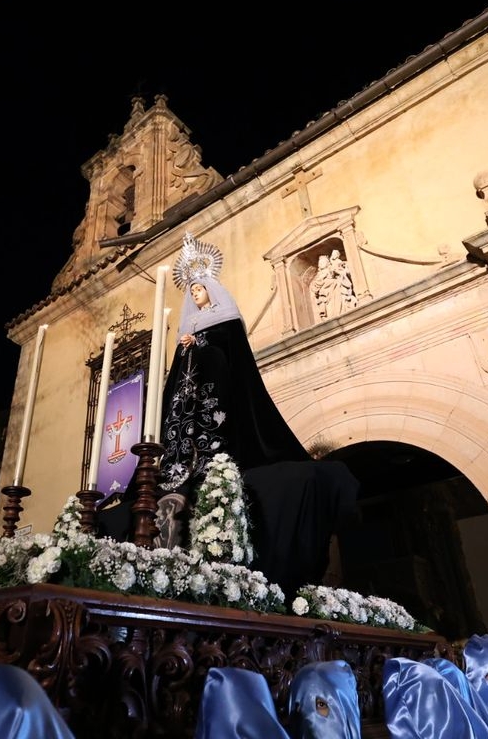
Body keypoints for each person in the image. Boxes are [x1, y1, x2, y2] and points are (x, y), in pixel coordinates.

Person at [99, 232, 359, 598]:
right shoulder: (188, 325)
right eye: (191, 291)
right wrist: (186, 350)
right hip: (189, 392)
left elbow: (230, 352)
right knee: (180, 422)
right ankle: (180, 466)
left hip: (216, 387)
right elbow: (179, 366)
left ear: (210, 289)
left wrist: (202, 343)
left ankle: (212, 462)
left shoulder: (225, 316)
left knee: (215, 421)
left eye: (199, 289)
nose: (195, 295)